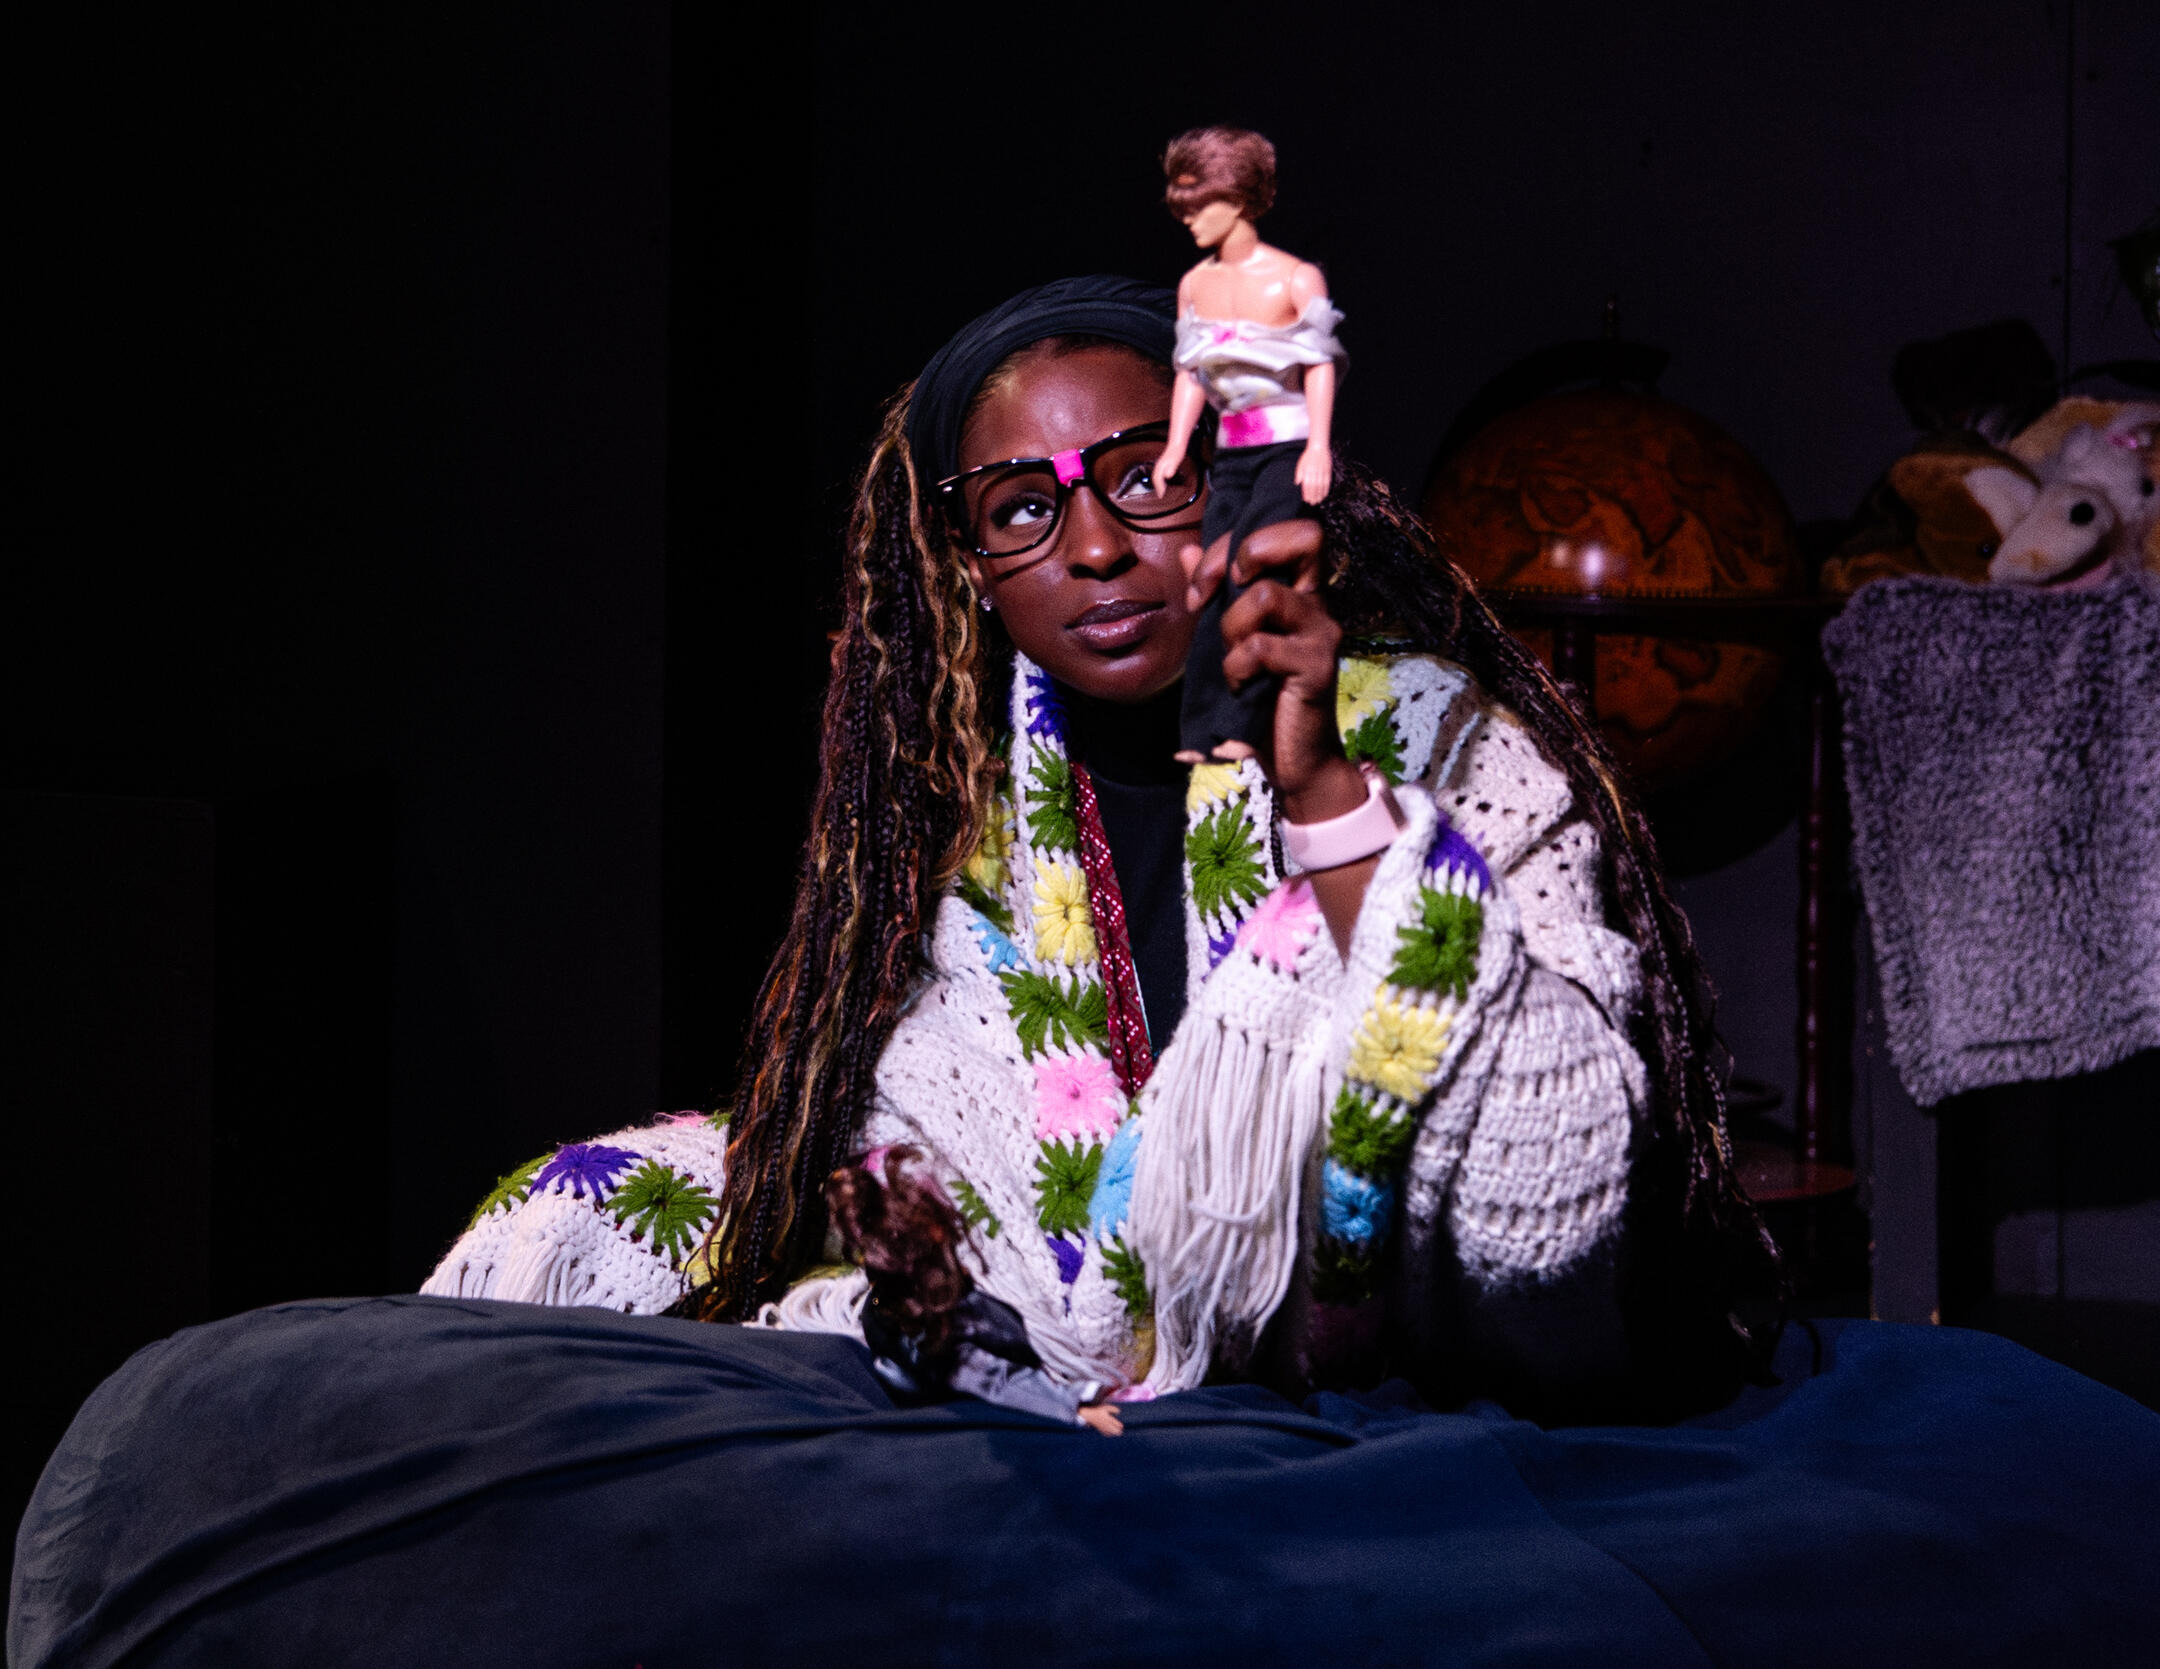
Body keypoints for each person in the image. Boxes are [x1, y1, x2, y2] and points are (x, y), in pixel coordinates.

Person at [424, 276, 1778, 1424]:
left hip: (1379, 1324)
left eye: (1147, 479)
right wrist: (911, 1259)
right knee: (590, 1217)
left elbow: (1555, 1197)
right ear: (970, 565)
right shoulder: (959, 812)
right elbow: (939, 1119)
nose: (1095, 547)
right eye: (1024, 508)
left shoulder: (1449, 744)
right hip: (1057, 1317)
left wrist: (1326, 792)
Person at [1152, 126, 1346, 761]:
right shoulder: (1194, 285)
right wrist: (1175, 447)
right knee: (1209, 586)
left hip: (1286, 446)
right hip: (1232, 451)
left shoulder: (1294, 278)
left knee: (1252, 574)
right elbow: (1191, 375)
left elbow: (1319, 367)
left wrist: (1318, 447)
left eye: (1198, 204)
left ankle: (1245, 723)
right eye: (1180, 206)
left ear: (1236, 200)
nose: (1188, 219)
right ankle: (1200, 732)